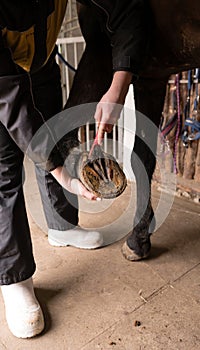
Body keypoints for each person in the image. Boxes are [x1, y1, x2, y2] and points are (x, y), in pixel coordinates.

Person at [0, 0, 149, 339]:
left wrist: (117, 89)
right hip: (1, 79)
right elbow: (9, 101)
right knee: (4, 172)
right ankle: (14, 277)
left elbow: (128, 10)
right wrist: (62, 173)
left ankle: (62, 226)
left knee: (57, 129)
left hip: (40, 61)